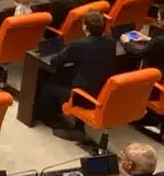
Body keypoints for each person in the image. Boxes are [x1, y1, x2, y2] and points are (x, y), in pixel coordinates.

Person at [38, 11, 118, 139]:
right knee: (65, 78)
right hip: (103, 92)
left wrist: (66, 50)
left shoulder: (79, 45)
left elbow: (55, 61)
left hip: (83, 97)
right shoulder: (111, 42)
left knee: (46, 86)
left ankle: (52, 121)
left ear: (85, 27)